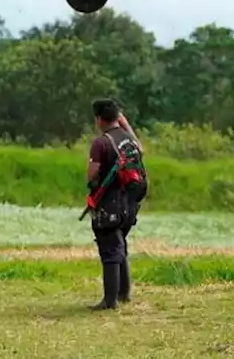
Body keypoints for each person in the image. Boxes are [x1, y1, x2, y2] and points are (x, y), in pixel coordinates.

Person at [84, 98, 148, 310]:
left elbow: (92, 176)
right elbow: (141, 149)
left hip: (110, 202)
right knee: (119, 245)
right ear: (117, 118)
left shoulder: (101, 143)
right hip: (130, 202)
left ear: (98, 119)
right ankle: (123, 293)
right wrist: (124, 123)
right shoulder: (129, 139)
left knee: (110, 248)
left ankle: (109, 300)